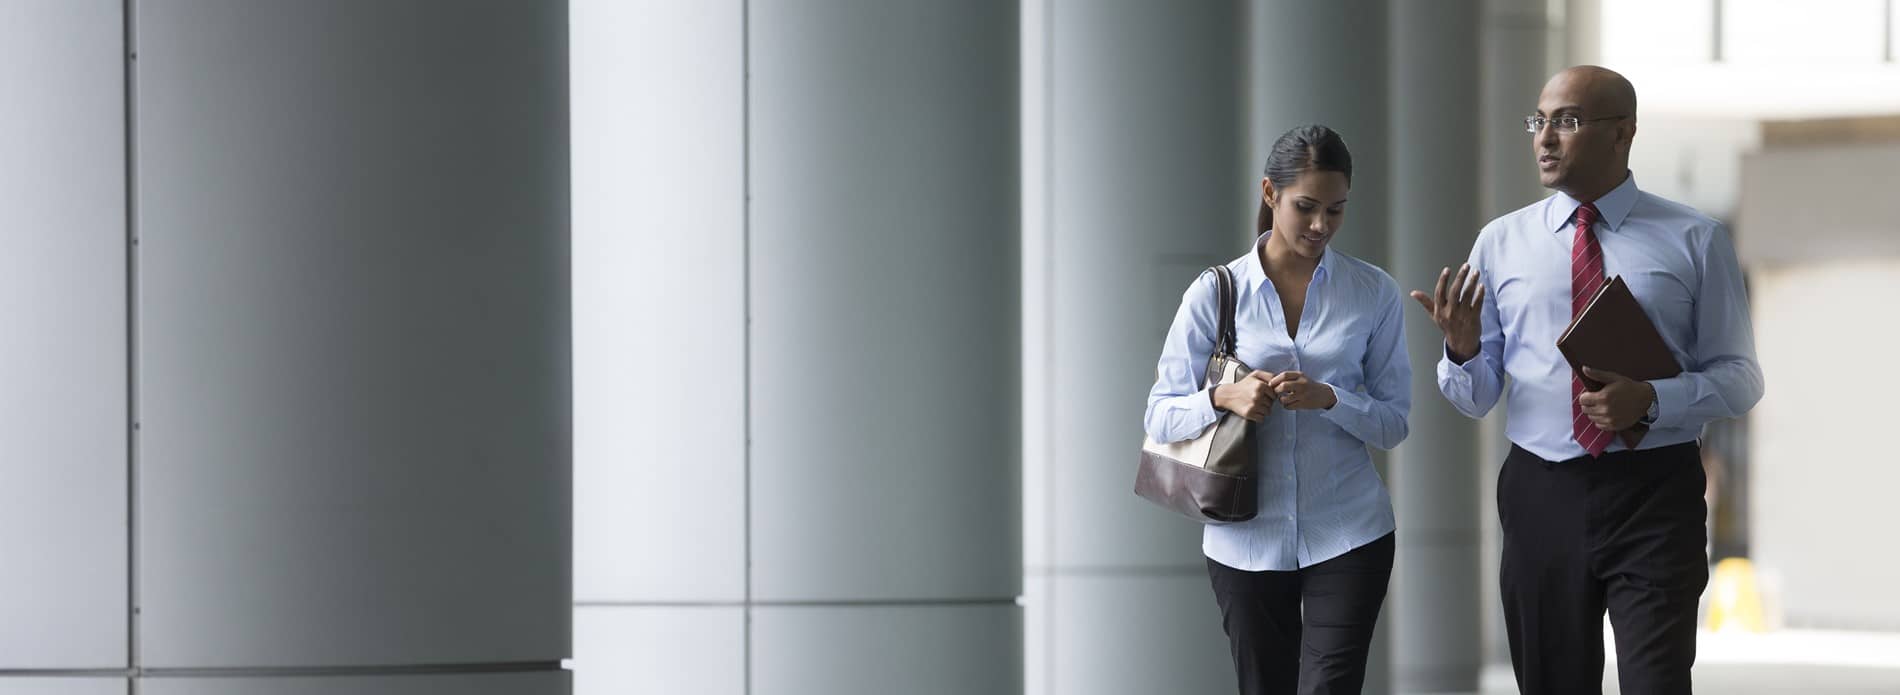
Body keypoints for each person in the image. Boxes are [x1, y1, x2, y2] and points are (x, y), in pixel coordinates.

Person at [1410, 66, 1764, 694]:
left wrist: (1652, 400)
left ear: (1622, 134)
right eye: (1538, 121)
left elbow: (1741, 379)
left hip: (1656, 494)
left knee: (1656, 683)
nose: (1545, 137)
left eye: (1567, 121)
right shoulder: (1501, 242)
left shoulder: (1696, 240)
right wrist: (1461, 352)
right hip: (1542, 491)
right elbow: (1479, 397)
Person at [1144, 124, 1411, 694]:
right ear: (1270, 194)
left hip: (1350, 530)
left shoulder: (1373, 293)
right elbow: (1160, 416)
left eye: (1335, 210)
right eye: (1305, 207)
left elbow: (1393, 423)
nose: (1320, 226)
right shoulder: (1214, 293)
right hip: (1244, 538)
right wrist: (1224, 396)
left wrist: (1331, 398)